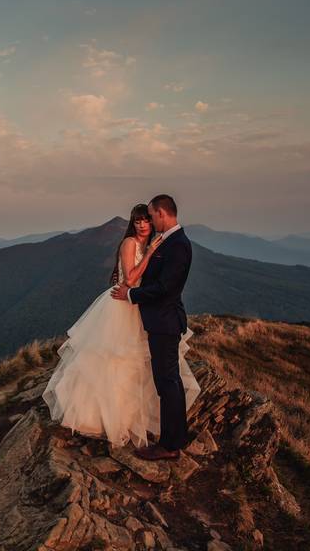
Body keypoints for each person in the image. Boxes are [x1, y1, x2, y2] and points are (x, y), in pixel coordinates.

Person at [41, 203, 200, 451]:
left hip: (142, 308)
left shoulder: (163, 243)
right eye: (137, 221)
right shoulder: (131, 244)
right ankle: (105, 418)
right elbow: (131, 279)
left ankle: (144, 422)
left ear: (156, 217)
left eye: (146, 220)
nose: (142, 225)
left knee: (143, 368)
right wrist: (147, 256)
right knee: (114, 361)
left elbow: (161, 283)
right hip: (123, 305)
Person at [111, 194, 196, 460]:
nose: (149, 221)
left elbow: (164, 288)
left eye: (151, 215)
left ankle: (170, 445)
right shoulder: (169, 241)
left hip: (165, 322)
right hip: (162, 320)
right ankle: (176, 437)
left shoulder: (177, 245)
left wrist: (131, 295)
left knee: (167, 382)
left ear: (161, 213)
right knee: (168, 381)